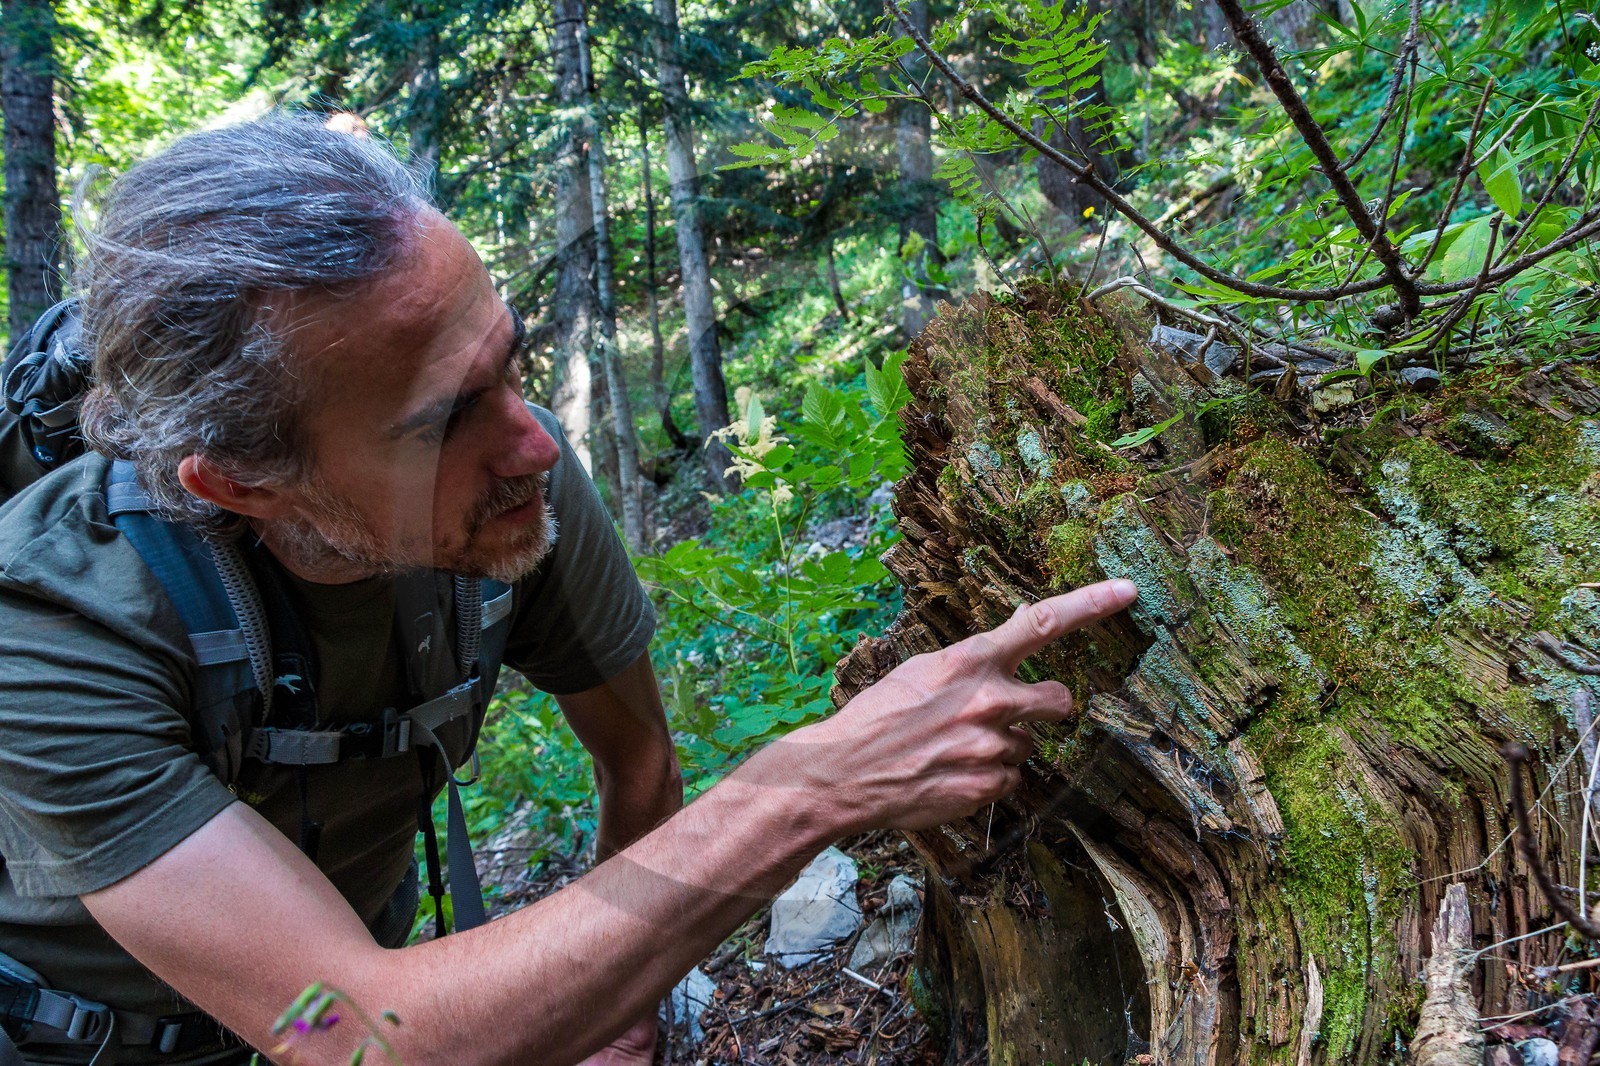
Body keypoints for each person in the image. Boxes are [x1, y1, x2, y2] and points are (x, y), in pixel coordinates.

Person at [0, 113, 1138, 1066]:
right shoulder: (54, 627)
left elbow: (638, 764)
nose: (534, 445)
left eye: (509, 360)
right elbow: (346, 1033)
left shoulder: (508, 478)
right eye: (441, 421)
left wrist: (617, 1014)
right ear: (242, 480)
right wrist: (809, 786)